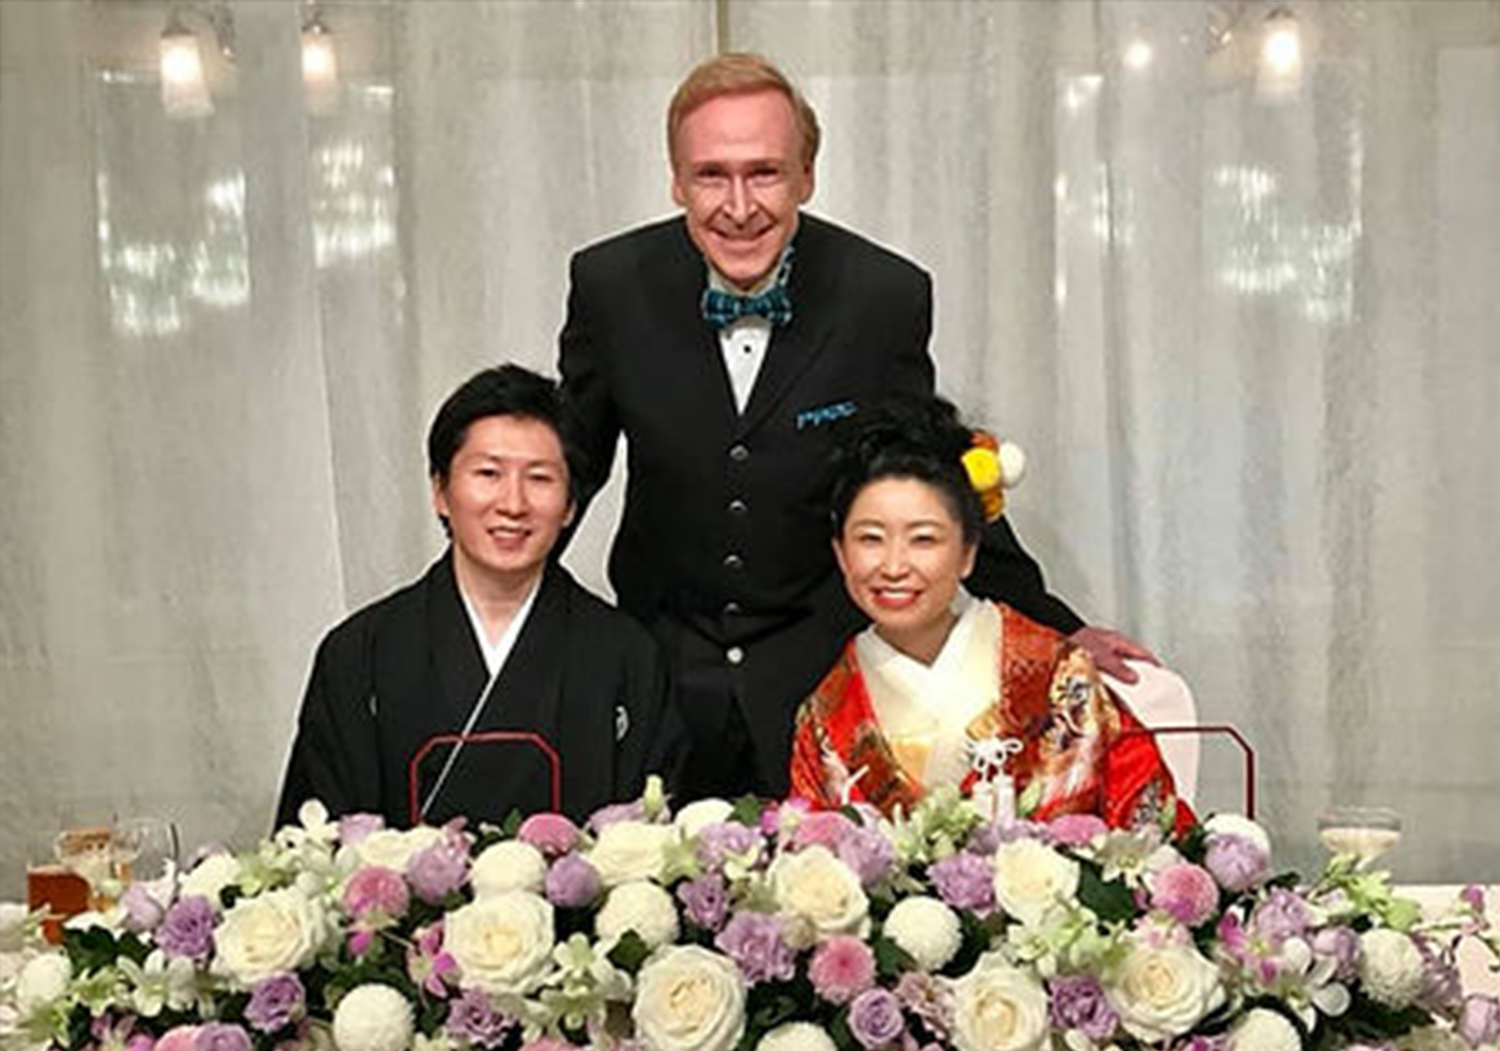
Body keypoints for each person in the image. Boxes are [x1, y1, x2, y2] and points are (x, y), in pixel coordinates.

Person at [559, 52, 1140, 801]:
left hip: (820, 676)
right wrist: (487, 599)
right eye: (711, 175)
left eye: (765, 173)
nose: (739, 205)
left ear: (806, 176)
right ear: (676, 181)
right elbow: (569, 468)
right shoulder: (609, 286)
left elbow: (929, 469)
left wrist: (1055, 625)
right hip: (661, 667)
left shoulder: (882, 296)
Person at [276, 365, 682, 828]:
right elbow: (319, 840)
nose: (513, 504)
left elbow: (658, 837)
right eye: (488, 473)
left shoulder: (626, 656)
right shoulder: (360, 653)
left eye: (539, 478)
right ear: (440, 491)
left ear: (571, 504)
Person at [788, 397, 1191, 831]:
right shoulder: (825, 712)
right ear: (840, 553)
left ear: (968, 552)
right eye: (870, 538)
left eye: (923, 539)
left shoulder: (1054, 671)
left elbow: (1154, 827)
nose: (894, 566)